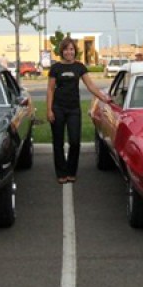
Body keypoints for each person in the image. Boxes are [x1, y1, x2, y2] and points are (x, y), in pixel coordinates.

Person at [47, 37, 110, 184]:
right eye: (66, 49)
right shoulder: (55, 68)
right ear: (61, 51)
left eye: (72, 49)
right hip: (58, 109)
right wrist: (49, 110)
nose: (69, 52)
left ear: (75, 51)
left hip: (74, 109)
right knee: (58, 143)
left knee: (75, 142)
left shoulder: (79, 67)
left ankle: (71, 171)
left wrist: (103, 97)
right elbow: (50, 90)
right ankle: (61, 173)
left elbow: (91, 86)